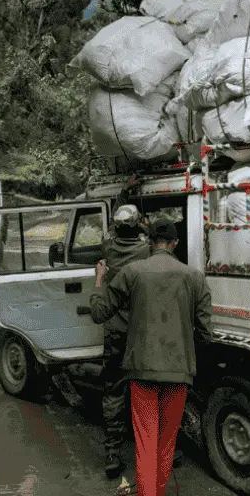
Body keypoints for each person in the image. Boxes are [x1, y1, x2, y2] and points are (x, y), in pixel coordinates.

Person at [89, 219, 213, 496]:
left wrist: (99, 282)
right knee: (166, 443)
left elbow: (100, 314)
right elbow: (206, 332)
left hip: (141, 371)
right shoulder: (194, 277)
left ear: (149, 243)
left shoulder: (133, 272)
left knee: (146, 441)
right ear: (175, 244)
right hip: (179, 372)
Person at [98, 176, 151, 479]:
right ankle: (157, 449)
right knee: (147, 388)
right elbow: (144, 232)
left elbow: (111, 230)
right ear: (138, 227)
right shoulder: (146, 252)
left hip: (116, 333)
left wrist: (122, 193)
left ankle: (112, 453)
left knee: (113, 391)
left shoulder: (109, 248)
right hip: (142, 333)